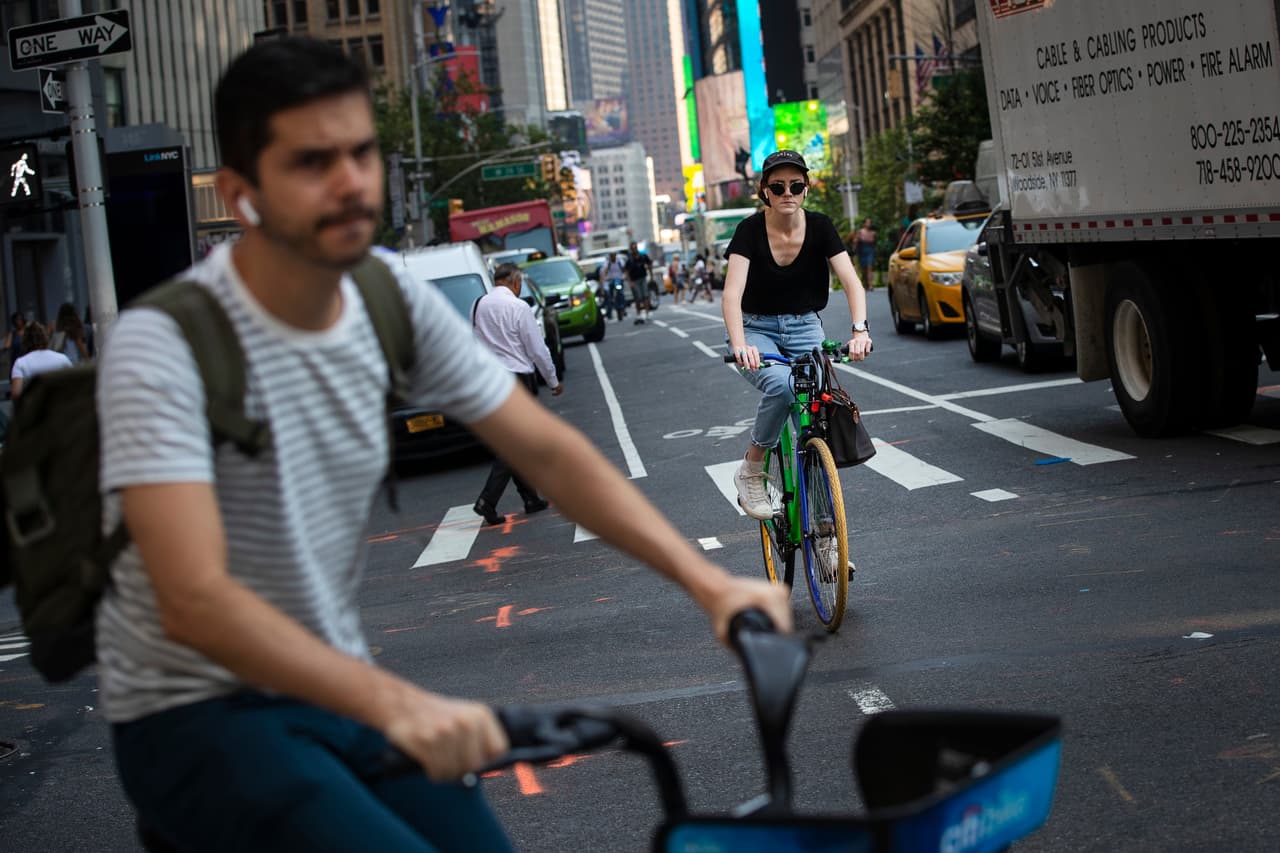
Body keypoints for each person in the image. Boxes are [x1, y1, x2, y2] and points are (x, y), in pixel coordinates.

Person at [95, 37, 790, 853]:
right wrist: (401, 704)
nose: (350, 181)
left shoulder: (383, 294)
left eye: (361, 152)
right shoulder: (165, 343)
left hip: (334, 684)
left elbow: (547, 451)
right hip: (193, 715)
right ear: (240, 193)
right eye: (313, 162)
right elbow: (193, 598)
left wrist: (711, 584)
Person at [722, 150, 873, 519]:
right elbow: (731, 294)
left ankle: (825, 532)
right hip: (756, 328)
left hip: (805, 326)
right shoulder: (748, 231)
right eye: (778, 187)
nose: (787, 193)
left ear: (806, 188)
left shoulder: (820, 227)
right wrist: (740, 345)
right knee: (783, 385)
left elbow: (851, 282)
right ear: (765, 191)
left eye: (795, 185)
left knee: (814, 425)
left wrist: (859, 330)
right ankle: (752, 468)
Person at [471, 263, 562, 526]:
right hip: (516, 380)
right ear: (516, 282)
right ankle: (487, 500)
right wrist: (553, 380)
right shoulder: (519, 307)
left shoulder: (477, 305)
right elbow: (537, 349)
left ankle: (530, 498)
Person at [9, 322, 73, 400]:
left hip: (35, 405)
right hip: (60, 404)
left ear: (25, 341)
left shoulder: (20, 363)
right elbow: (74, 383)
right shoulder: (62, 358)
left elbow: (16, 394)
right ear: (45, 338)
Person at [625, 241, 653, 324]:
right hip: (634, 280)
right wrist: (630, 282)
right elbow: (626, 271)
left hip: (643, 278)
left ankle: (647, 313)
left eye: (635, 247)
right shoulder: (629, 259)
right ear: (631, 249)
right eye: (633, 248)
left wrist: (651, 276)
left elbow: (649, 264)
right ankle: (639, 314)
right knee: (638, 297)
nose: (634, 249)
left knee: (646, 296)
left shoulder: (643, 256)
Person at [599, 251, 626, 322]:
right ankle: (612, 300)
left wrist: (624, 274)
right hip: (611, 280)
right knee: (610, 294)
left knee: (620, 292)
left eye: (613, 255)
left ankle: (622, 306)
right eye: (611, 256)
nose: (612, 257)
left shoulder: (620, 261)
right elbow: (604, 272)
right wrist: (604, 277)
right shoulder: (607, 263)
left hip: (619, 280)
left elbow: (624, 270)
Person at [853, 218, 878, 291]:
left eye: (870, 222)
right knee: (863, 269)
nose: (869, 224)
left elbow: (875, 243)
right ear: (864, 223)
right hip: (862, 250)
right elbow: (855, 241)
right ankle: (865, 284)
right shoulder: (860, 231)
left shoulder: (873, 233)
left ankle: (870, 285)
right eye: (867, 222)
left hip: (870, 250)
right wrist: (855, 246)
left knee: (869, 267)